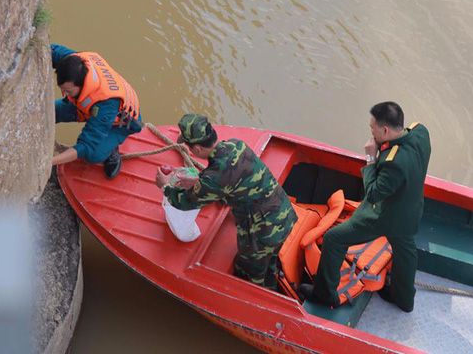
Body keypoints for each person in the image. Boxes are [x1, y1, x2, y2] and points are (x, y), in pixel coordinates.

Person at [299, 102, 431, 312]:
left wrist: (371, 158)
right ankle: (404, 299)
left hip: (384, 216)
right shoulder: (421, 132)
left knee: (334, 239)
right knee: (405, 251)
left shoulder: (393, 162)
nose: (371, 133)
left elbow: (373, 194)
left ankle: (324, 294)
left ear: (385, 130)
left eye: (373, 129)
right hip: (411, 210)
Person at [154, 114, 298, 291]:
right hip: (284, 215)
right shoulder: (237, 145)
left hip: (263, 232)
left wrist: (166, 186)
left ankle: (263, 299)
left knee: (249, 274)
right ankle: (271, 280)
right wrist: (200, 182)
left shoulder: (213, 178)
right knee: (269, 262)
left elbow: (184, 202)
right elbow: (234, 180)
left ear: (197, 149)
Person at [51, 44, 142, 179]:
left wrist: (49, 162)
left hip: (118, 122)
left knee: (93, 154)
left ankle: (112, 150)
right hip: (89, 105)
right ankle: (84, 110)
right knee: (52, 112)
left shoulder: (107, 103)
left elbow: (87, 145)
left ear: (82, 85)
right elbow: (49, 50)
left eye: (68, 91)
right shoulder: (75, 61)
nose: (64, 94)